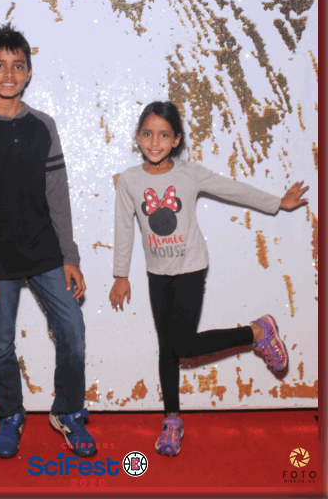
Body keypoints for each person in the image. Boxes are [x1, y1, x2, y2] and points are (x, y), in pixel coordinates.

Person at [109, 101, 308, 458]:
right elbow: (124, 227)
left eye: (164, 135)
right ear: (138, 137)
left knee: (183, 346)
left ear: (176, 139)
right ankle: (172, 420)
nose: (155, 142)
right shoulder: (129, 180)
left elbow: (233, 188)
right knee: (168, 347)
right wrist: (120, 274)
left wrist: (278, 202)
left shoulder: (188, 174)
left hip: (191, 267)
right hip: (157, 272)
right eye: (148, 134)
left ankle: (257, 332)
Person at [0, 24, 95, 459]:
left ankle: (67, 412)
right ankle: (10, 415)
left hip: (45, 252)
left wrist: (70, 256)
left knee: (73, 332)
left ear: (29, 72)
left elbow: (58, 197)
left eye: (18, 66)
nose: (9, 74)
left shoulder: (43, 126)